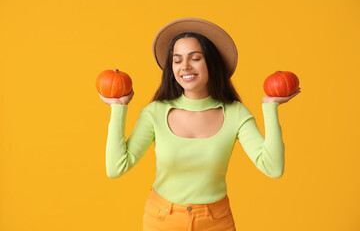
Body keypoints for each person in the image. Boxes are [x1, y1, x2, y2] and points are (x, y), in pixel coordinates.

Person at [99, 18, 301, 231]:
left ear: (212, 63)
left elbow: (273, 167)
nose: (185, 66)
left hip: (216, 221)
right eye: (177, 60)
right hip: (162, 219)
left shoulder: (235, 114)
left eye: (195, 58)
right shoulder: (155, 112)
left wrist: (270, 108)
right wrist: (118, 108)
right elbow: (115, 167)